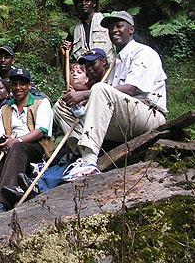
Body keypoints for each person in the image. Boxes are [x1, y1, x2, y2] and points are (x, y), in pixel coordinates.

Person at [61, 11, 167, 181]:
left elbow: (131, 89)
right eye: (111, 28)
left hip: (149, 114)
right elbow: (105, 101)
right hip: (124, 118)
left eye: (119, 26)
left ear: (131, 29)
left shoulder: (143, 52)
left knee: (99, 89)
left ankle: (89, 161)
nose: (114, 31)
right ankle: (83, 153)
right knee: (63, 106)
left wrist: (87, 93)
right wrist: (80, 105)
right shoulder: (116, 62)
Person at [3, 51, 109, 203]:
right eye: (72, 72)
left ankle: (38, 184)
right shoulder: (68, 100)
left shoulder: (100, 90)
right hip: (73, 145)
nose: (74, 74)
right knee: (64, 162)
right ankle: (35, 185)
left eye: (79, 72)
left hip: (92, 141)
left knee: (66, 161)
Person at [0, 68, 54, 218]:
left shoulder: (41, 103)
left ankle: (3, 201)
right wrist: (4, 143)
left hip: (37, 147)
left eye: (22, 84)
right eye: (14, 84)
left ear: (29, 86)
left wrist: (17, 140)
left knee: (17, 147)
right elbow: (1, 134)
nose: (18, 87)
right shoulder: (5, 109)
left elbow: (41, 130)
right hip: (13, 146)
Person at [58, 0, 115, 65]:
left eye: (87, 0)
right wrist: (64, 51)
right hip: (85, 72)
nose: (83, 3)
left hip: (108, 70)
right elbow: (68, 56)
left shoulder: (106, 20)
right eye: (80, 2)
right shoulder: (73, 30)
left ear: (94, 4)